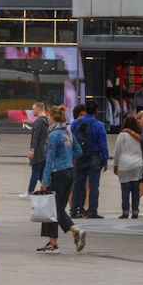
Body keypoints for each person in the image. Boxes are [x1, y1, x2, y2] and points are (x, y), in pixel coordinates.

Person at [37, 105, 85, 253]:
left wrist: (44, 181)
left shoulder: (53, 135)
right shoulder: (68, 132)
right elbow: (78, 151)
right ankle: (52, 243)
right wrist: (68, 158)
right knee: (57, 208)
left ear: (54, 118)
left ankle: (75, 230)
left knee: (54, 209)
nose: (48, 120)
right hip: (70, 171)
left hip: (57, 174)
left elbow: (49, 160)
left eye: (49, 117)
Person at [69, 100, 109, 220]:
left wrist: (72, 156)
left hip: (80, 156)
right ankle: (92, 210)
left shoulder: (76, 123)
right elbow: (103, 144)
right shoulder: (99, 125)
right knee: (93, 185)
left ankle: (74, 210)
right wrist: (105, 159)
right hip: (94, 156)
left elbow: (71, 140)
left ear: (85, 110)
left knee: (77, 184)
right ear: (96, 111)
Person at [111, 117, 143, 217]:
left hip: (124, 164)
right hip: (138, 163)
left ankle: (125, 211)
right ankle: (135, 211)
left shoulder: (122, 135)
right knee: (136, 188)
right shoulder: (139, 135)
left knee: (125, 189)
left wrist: (115, 164)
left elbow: (117, 151)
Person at [25, 104, 50, 199]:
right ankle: (46, 190)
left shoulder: (38, 122)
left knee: (35, 172)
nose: (32, 111)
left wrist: (32, 150)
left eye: (33, 109)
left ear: (38, 109)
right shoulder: (47, 120)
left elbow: (36, 137)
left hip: (38, 151)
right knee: (43, 173)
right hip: (45, 151)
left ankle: (30, 192)